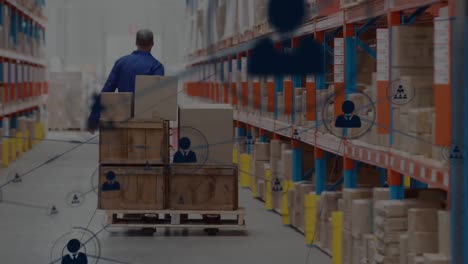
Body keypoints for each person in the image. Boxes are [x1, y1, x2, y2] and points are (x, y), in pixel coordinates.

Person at [88, 29, 165, 131]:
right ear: (152, 44)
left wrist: (94, 118)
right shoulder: (156, 66)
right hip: (146, 123)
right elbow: (157, 97)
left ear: (136, 43)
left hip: (122, 119)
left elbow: (107, 90)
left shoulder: (121, 63)